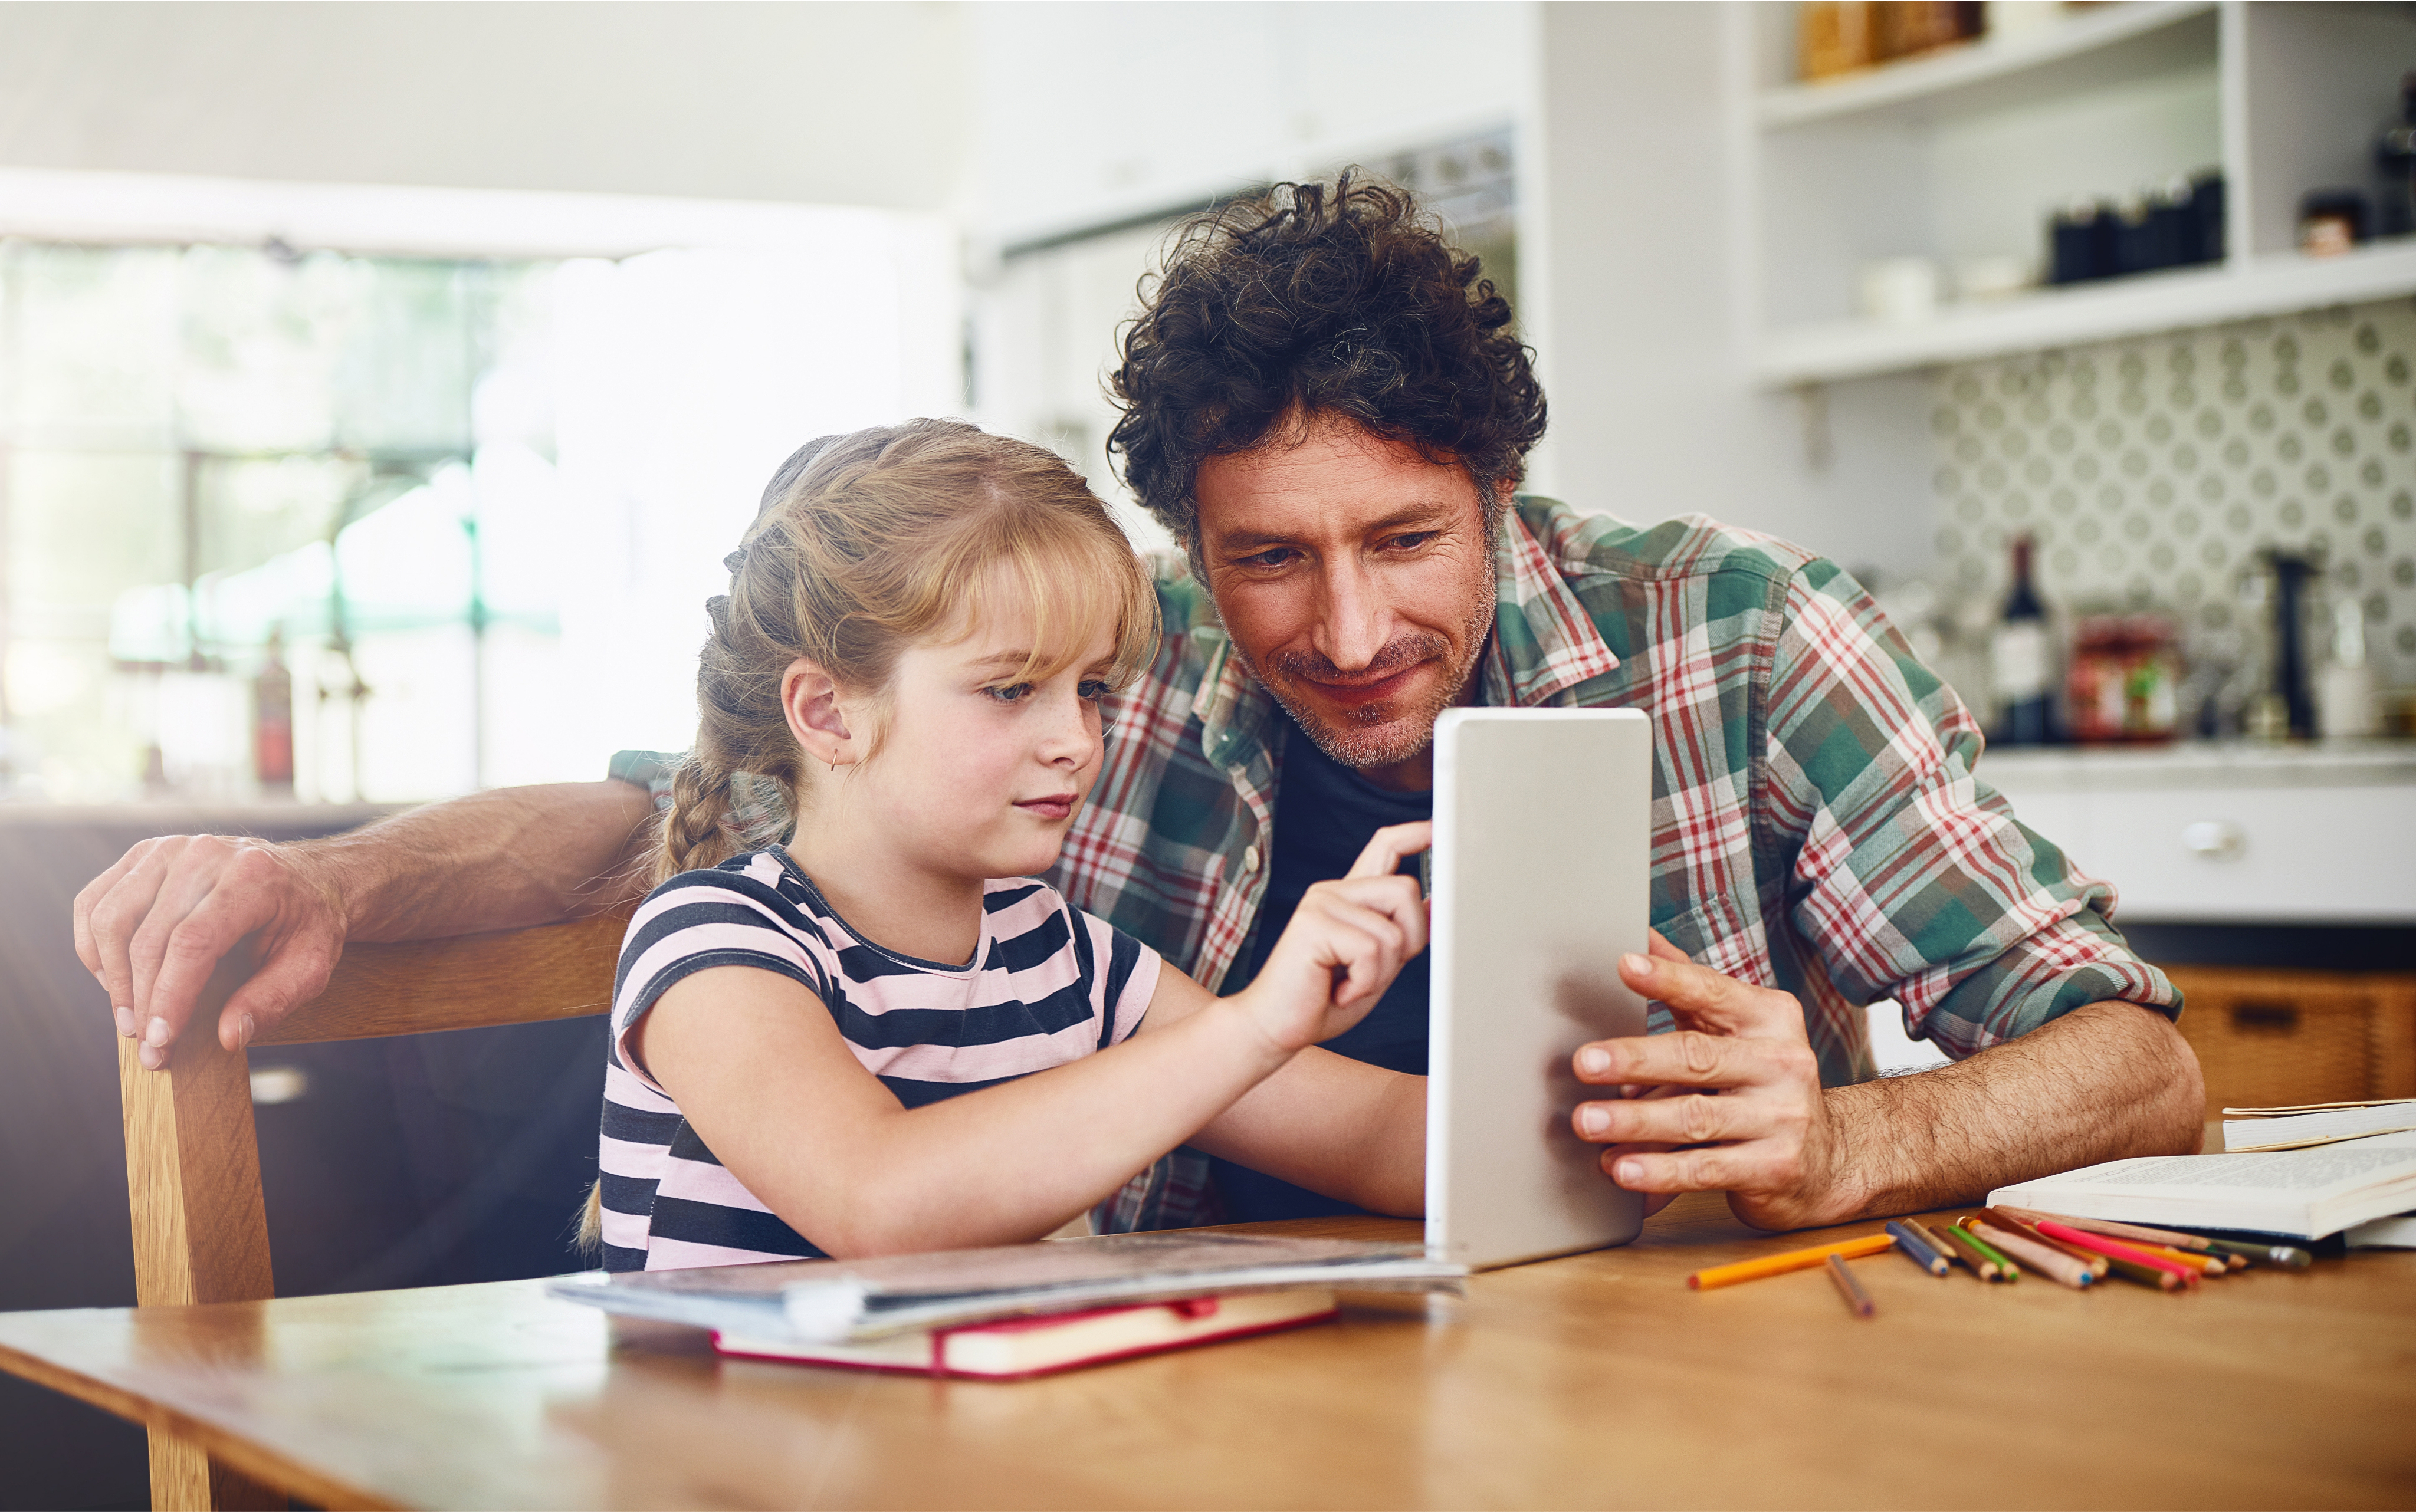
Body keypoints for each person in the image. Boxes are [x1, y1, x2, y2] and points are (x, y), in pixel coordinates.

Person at [75, 175, 2204, 1237]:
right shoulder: (1092, 684)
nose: (1347, 626)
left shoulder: (1735, 635)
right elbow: (665, 820)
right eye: (1266, 556)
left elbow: (2137, 1053)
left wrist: (1831, 1133)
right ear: (1189, 536)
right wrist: (342, 876)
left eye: (1404, 539)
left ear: (1497, 489)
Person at [579, 420, 1426, 1266]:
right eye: (1011, 688)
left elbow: (1373, 1135)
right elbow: (878, 1201)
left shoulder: (1066, 956)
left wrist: (1558, 1115)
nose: (1078, 740)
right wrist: (1252, 1027)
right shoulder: (714, 941)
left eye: (1091, 689)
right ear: (828, 714)